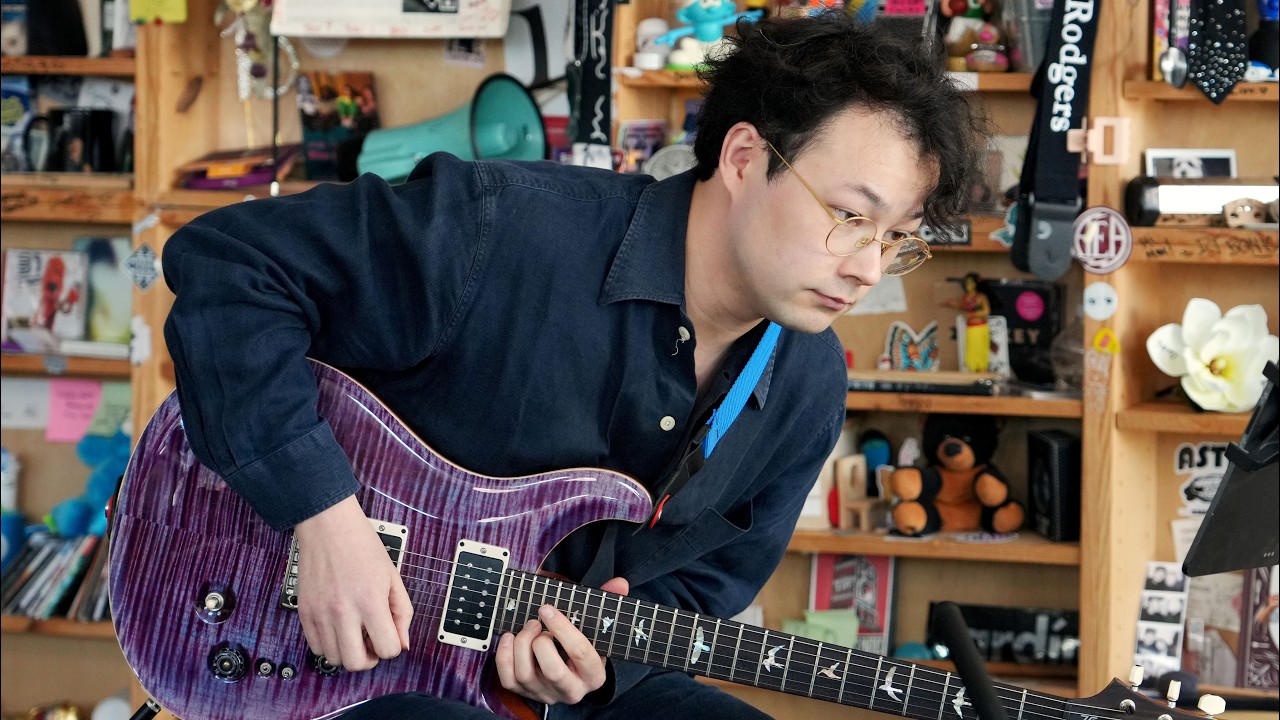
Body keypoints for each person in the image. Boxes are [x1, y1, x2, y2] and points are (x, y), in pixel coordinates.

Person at [160, 11, 987, 720]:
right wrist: (322, 514)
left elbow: (697, 595)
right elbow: (231, 266)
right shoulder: (504, 230)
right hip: (305, 642)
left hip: (526, 685)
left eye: (895, 238)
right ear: (742, 159)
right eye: (851, 216)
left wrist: (597, 665)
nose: (869, 267)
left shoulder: (806, 387)